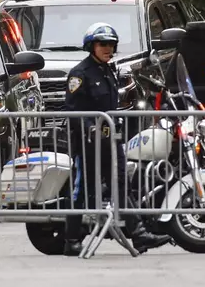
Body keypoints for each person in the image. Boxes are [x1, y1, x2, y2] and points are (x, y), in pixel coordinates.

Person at [63, 22, 172, 256]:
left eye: (111, 45)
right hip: (88, 144)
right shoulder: (80, 74)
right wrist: (91, 128)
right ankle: (71, 239)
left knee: (122, 185)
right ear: (91, 46)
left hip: (111, 140)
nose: (108, 49)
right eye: (103, 44)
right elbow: (72, 110)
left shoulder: (108, 71)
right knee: (82, 190)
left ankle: (139, 235)